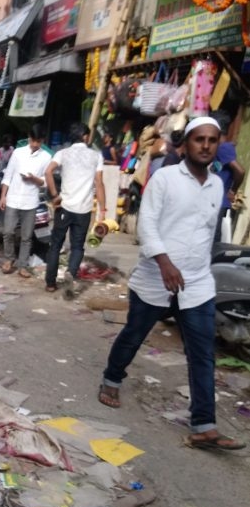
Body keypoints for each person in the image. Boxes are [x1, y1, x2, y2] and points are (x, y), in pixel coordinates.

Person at [98, 117, 244, 451]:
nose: (205, 146)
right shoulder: (164, 178)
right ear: (186, 143)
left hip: (196, 284)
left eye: (211, 140)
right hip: (155, 279)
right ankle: (111, 379)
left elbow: (207, 232)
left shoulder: (216, 185)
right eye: (199, 139)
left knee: (202, 354)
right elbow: (147, 225)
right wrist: (164, 262)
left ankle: (204, 426)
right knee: (133, 335)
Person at [44, 122, 105, 292]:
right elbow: (99, 183)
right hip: (84, 209)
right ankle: (71, 271)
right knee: (77, 246)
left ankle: (50, 283)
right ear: (85, 137)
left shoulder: (63, 153)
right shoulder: (96, 156)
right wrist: (103, 210)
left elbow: (48, 172)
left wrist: (55, 196)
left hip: (64, 206)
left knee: (56, 245)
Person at [0, 124, 52, 278]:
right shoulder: (18, 153)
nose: (34, 144)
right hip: (13, 198)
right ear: (29, 138)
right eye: (32, 140)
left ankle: (22, 265)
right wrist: (3, 195)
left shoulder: (46, 157)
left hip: (31, 201)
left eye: (38, 141)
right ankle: (9, 259)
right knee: (8, 232)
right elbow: (8, 175)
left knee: (26, 236)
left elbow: (46, 182)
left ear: (42, 140)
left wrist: (34, 179)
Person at [213, 111, 244, 244]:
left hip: (220, 202)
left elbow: (240, 171)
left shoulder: (223, 148)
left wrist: (232, 191)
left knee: (214, 241)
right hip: (217, 201)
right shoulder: (222, 147)